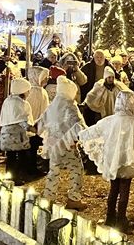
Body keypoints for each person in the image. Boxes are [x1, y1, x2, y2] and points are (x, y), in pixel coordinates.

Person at [78, 90, 134, 233]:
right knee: (124, 190)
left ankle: (110, 217)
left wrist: (78, 135)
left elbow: (93, 131)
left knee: (113, 189)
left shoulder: (109, 121)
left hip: (113, 161)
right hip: (127, 162)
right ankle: (121, 219)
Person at [38, 76, 87, 210]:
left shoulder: (53, 104)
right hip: (67, 144)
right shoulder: (70, 106)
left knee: (54, 170)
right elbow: (76, 124)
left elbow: (42, 121)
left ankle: (48, 197)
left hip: (53, 144)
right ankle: (74, 198)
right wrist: (78, 136)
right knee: (76, 168)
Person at [0, 78, 35, 185]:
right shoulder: (21, 103)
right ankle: (17, 177)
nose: (28, 93)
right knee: (20, 156)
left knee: (10, 157)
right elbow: (21, 120)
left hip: (6, 133)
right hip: (17, 135)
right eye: (27, 90)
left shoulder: (8, 100)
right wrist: (31, 128)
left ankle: (10, 176)